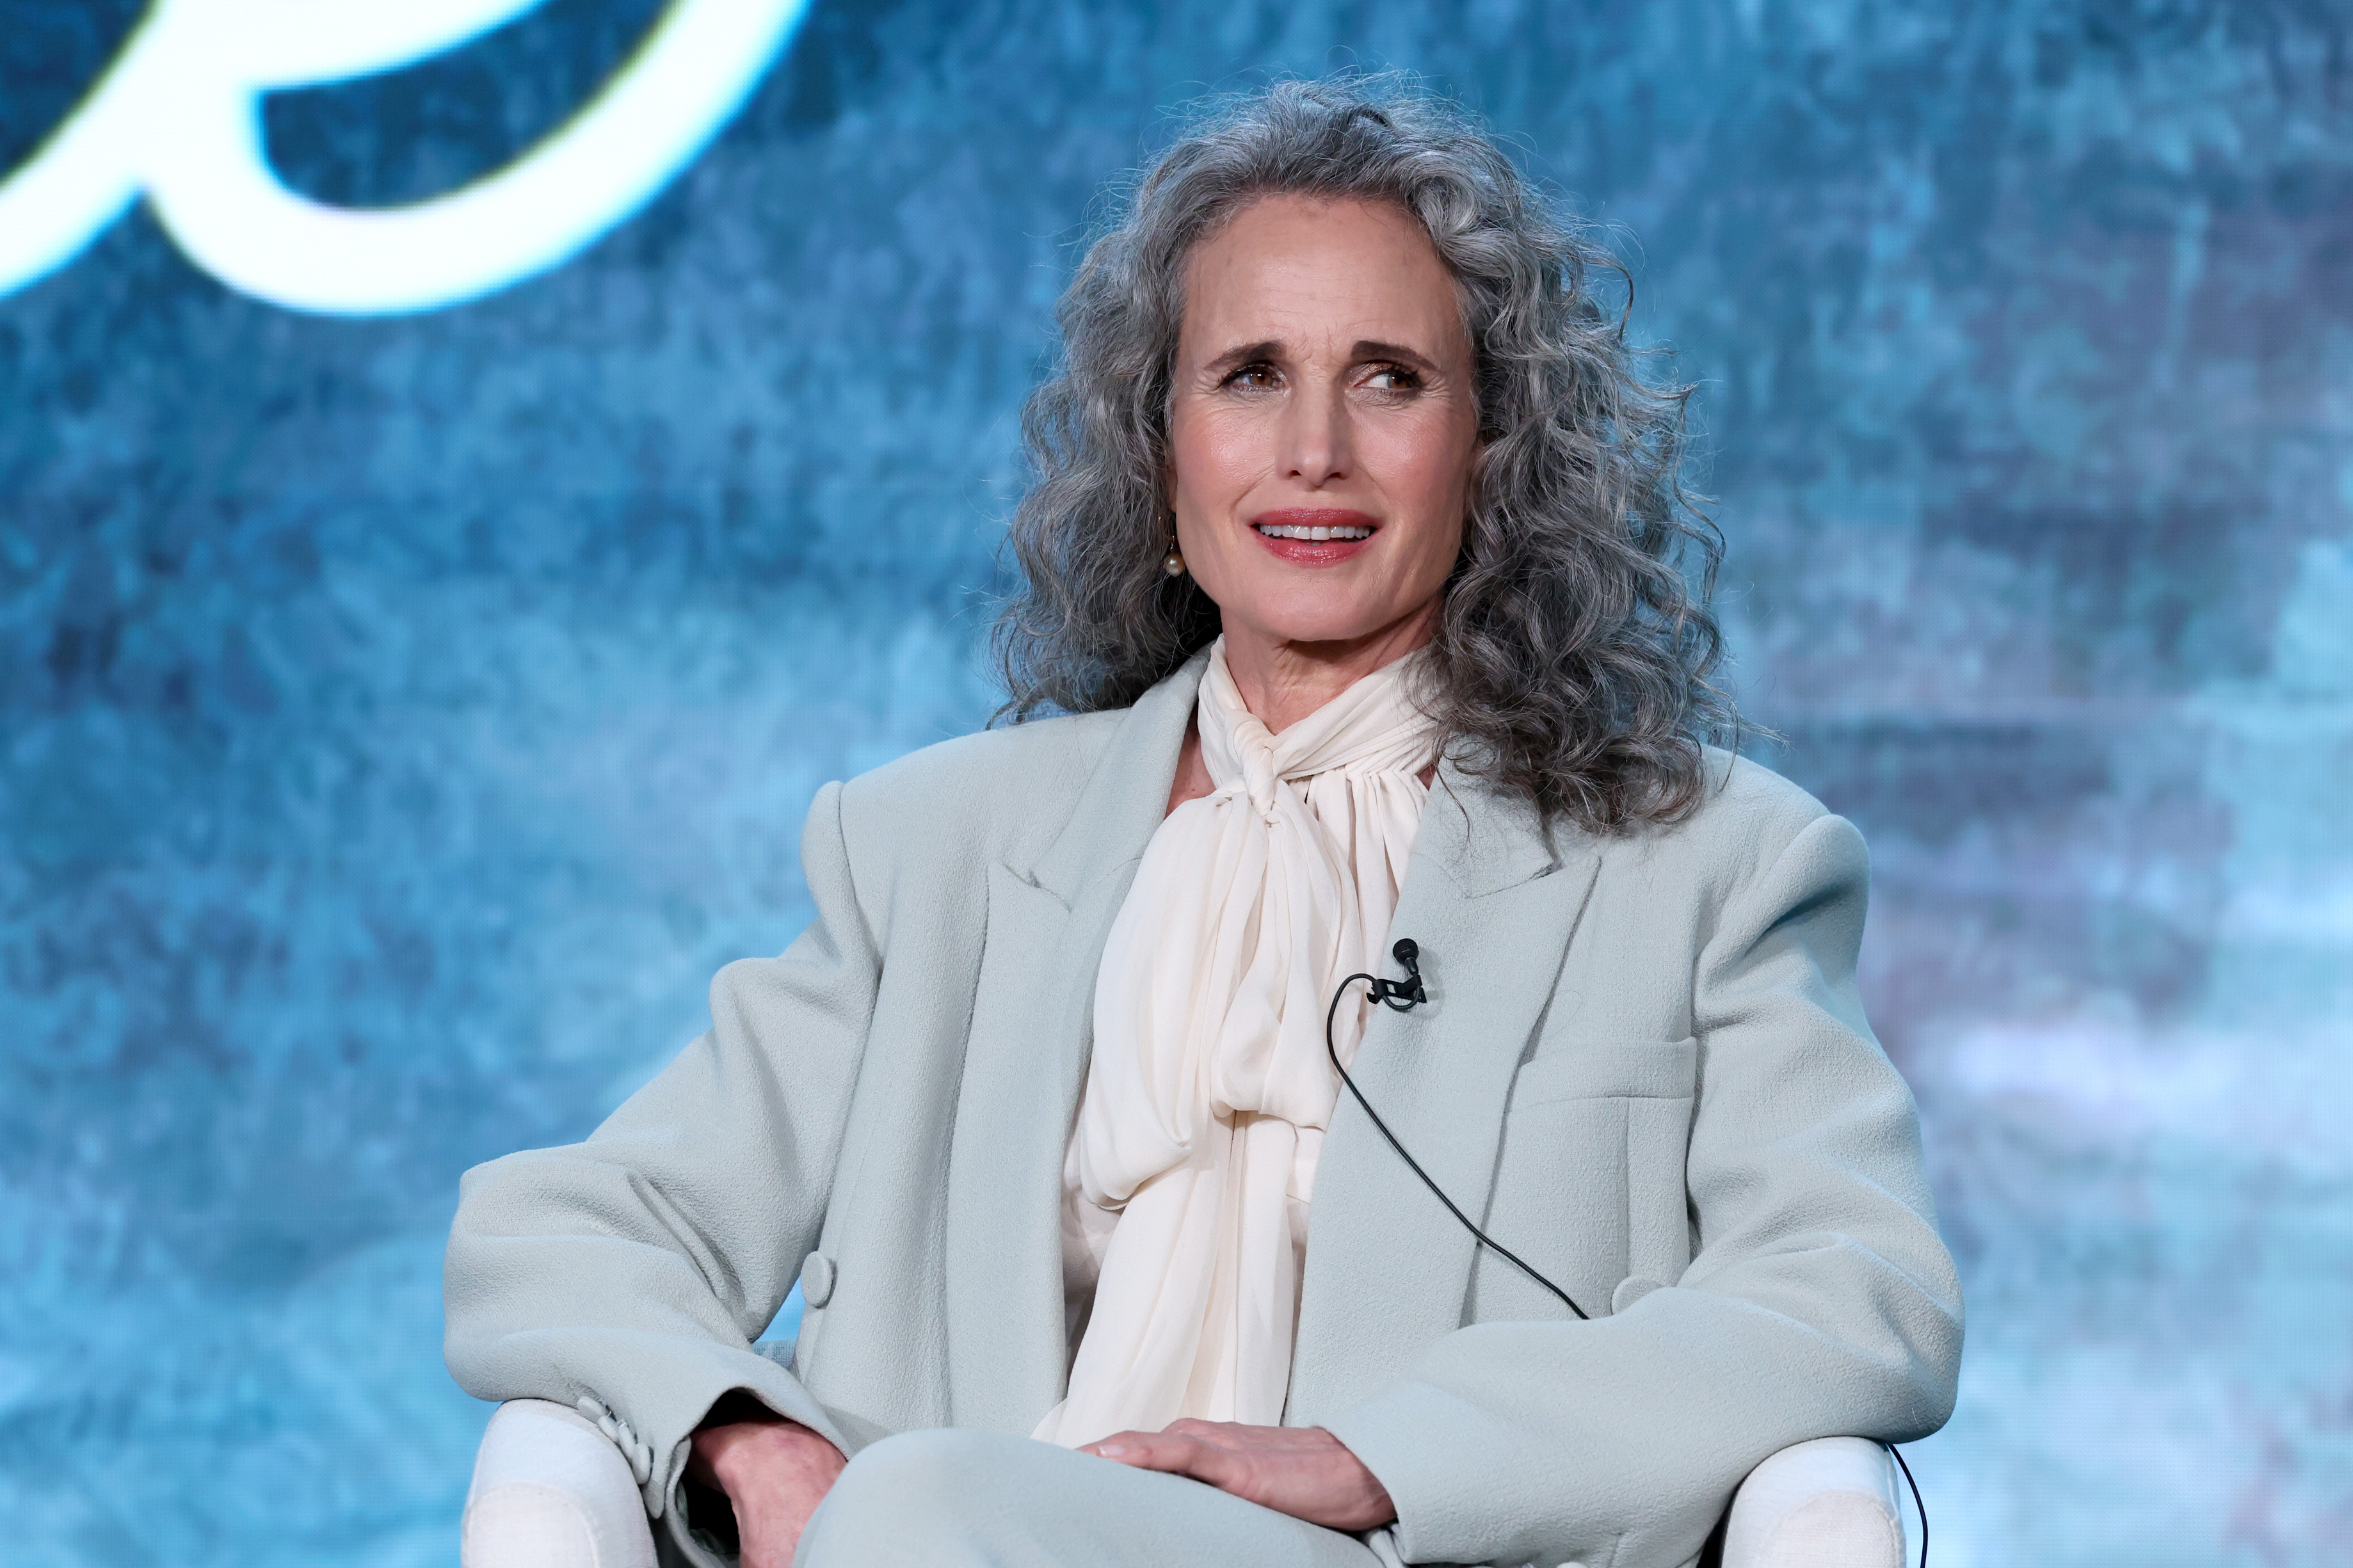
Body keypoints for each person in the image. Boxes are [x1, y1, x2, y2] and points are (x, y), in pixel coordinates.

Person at [444, 76, 1962, 1568]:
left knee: (904, 1508)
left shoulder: (1710, 860)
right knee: (907, 1506)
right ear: (1159, 440)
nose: (1314, 450)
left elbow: (1852, 1295)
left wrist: (1381, 1459)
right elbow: (557, 1233)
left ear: (1493, 445)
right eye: (1247, 375)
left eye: (1388, 377)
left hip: (1364, 1552)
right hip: (957, 1533)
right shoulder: (935, 851)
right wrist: (739, 1429)